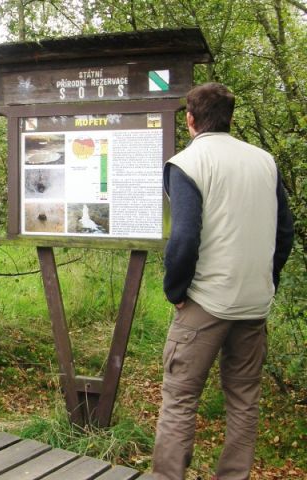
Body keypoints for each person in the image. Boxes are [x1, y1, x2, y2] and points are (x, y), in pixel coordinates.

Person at [152, 82, 294, 480]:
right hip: (254, 302)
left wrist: (175, 291)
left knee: (180, 398)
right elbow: (285, 233)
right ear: (230, 118)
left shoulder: (188, 164)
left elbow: (184, 237)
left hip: (205, 303)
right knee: (244, 399)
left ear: (191, 119)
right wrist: (267, 280)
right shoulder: (265, 161)